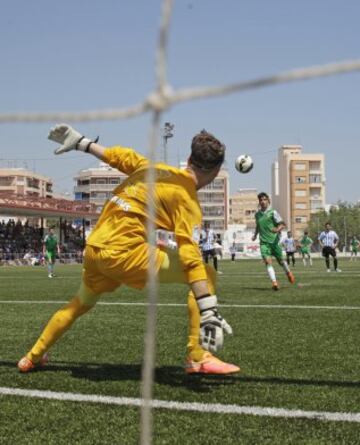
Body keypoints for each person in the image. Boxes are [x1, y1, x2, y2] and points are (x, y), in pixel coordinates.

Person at [18, 124, 240, 375]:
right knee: (206, 273)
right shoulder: (187, 198)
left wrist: (82, 143)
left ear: (188, 159)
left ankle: (32, 356)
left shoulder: (153, 168)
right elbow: (191, 259)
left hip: (94, 249)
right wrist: (208, 310)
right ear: (216, 170)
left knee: (80, 303)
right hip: (124, 253)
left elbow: (119, 157)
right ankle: (197, 356)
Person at [252, 192, 295, 291]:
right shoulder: (257, 215)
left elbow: (283, 224)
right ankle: (275, 283)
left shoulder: (273, 212)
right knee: (268, 262)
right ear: (259, 202)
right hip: (264, 243)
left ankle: (288, 272)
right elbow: (258, 226)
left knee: (281, 262)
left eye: (264, 199)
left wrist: (277, 229)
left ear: (268, 201)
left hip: (274, 242)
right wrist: (255, 235)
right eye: (261, 200)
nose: (262, 202)